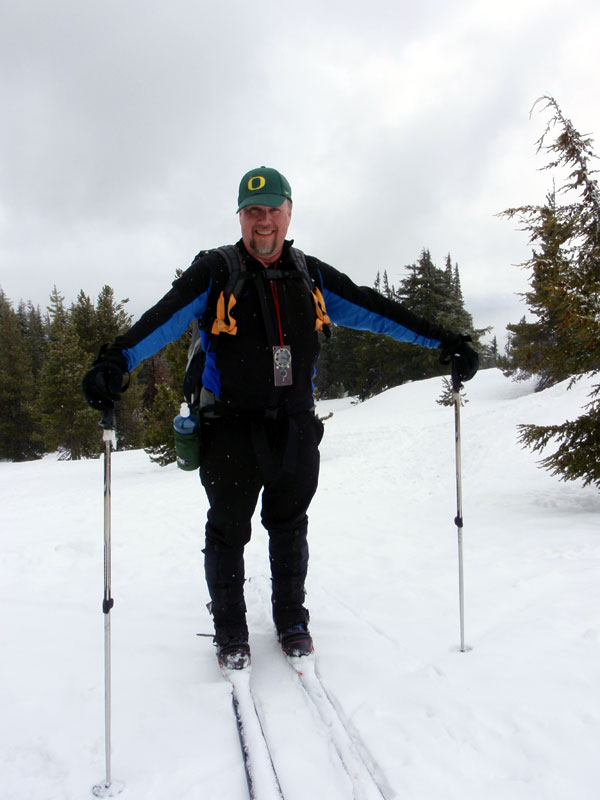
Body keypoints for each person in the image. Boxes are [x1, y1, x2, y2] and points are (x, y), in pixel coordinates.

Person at [82, 166, 478, 670]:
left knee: (290, 525)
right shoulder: (215, 272)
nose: (262, 221)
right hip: (229, 429)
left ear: (289, 213)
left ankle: (292, 620)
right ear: (240, 217)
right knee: (228, 530)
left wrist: (445, 341)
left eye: (272, 209)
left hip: (295, 427)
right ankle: (230, 630)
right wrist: (115, 360)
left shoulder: (310, 275)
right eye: (252, 211)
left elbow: (376, 309)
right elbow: (163, 319)